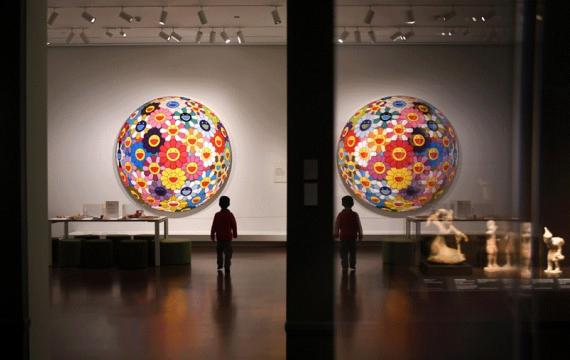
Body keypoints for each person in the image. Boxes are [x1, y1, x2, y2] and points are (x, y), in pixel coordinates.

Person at [334, 195, 363, 271]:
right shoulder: (355, 215)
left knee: (344, 253)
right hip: (353, 237)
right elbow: (358, 225)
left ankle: (345, 266)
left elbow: (337, 225)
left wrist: (336, 233)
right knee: (353, 252)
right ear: (352, 204)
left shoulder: (341, 215)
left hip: (343, 237)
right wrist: (360, 235)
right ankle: (352, 265)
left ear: (342, 204)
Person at [210, 196, 238, 273]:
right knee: (228, 254)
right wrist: (235, 234)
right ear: (228, 204)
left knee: (219, 253)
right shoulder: (230, 215)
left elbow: (214, 226)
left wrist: (212, 235)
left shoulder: (217, 215)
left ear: (219, 204)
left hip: (219, 238)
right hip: (227, 238)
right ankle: (227, 266)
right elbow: (234, 225)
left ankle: (219, 265)